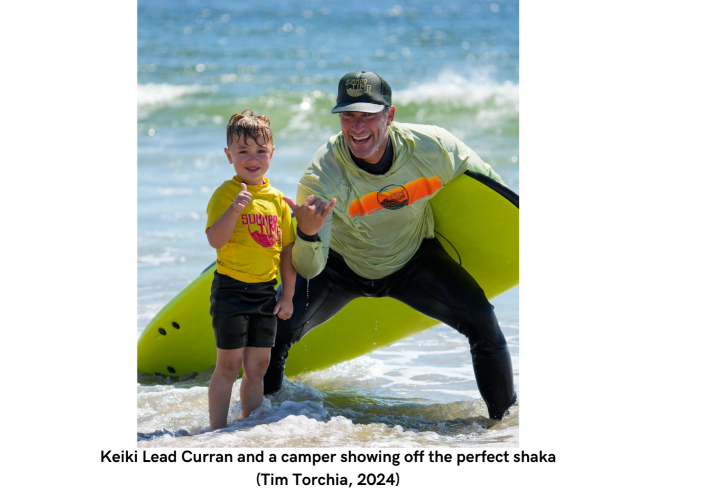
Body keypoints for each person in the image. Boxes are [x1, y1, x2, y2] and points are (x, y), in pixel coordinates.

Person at [264, 72, 516, 421]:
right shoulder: (321, 178)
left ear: (390, 115)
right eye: (348, 115)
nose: (356, 126)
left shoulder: (433, 148)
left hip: (412, 260)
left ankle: (502, 425)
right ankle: (268, 420)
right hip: (341, 266)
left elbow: (491, 188)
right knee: (277, 330)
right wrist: (307, 233)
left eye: (367, 114)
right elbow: (309, 269)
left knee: (483, 321)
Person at [205, 110, 296, 429]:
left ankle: (249, 428)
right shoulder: (225, 194)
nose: (252, 158)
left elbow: (286, 251)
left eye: (260, 150)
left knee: (258, 366)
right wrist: (234, 209)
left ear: (272, 153)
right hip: (231, 290)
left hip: (265, 293)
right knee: (228, 365)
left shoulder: (277, 201)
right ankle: (216, 430)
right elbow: (215, 240)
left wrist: (288, 295)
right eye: (243, 151)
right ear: (229, 156)